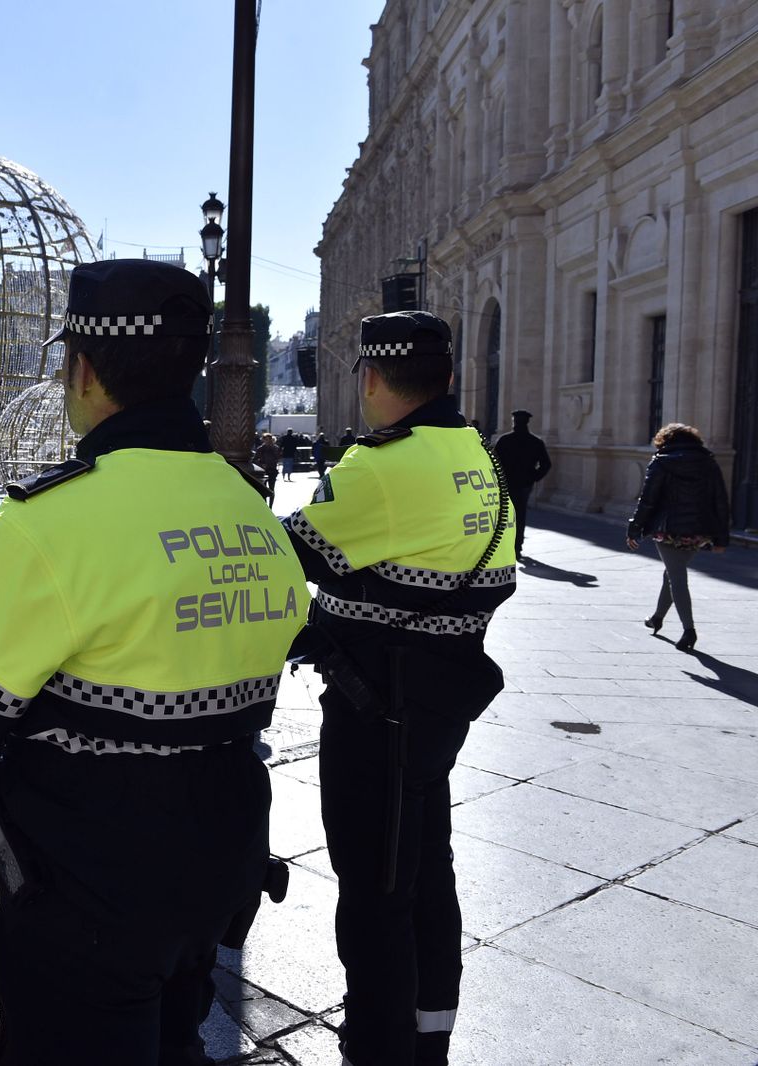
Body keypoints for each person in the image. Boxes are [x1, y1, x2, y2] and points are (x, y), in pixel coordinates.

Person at [0, 259, 308, 1066]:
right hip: (220, 867)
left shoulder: (52, 522)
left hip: (89, 890)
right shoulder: (250, 511)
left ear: (82, 370)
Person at [281, 311, 516, 1066]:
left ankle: (378, 1045)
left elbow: (293, 553)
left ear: (373, 379)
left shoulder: (380, 465)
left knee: (375, 885)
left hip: (375, 706)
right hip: (441, 701)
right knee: (425, 872)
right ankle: (428, 1032)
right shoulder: (479, 456)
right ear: (448, 379)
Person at [627, 422, 730, 652]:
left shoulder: (661, 462)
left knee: (676, 575)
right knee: (672, 572)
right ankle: (656, 618)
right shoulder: (709, 463)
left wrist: (635, 528)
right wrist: (721, 538)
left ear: (665, 440)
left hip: (668, 529)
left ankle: (688, 630)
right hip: (699, 530)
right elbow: (720, 501)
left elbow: (648, 500)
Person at [493, 409, 552, 561]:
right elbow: (546, 464)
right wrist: (534, 477)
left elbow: (493, 461)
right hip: (524, 484)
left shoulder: (504, 440)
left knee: (504, 516)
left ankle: (506, 545)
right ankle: (517, 546)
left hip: (506, 483)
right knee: (520, 516)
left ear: (514, 422)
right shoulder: (535, 442)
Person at [253, 430, 282, 506]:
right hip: (263, 471)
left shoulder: (275, 448)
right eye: (266, 439)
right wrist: (261, 464)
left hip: (272, 470)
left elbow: (278, 457)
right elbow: (254, 459)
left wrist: (273, 450)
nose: (268, 441)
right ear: (263, 440)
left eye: (269, 439)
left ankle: (271, 506)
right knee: (263, 489)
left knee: (272, 489)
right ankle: (265, 504)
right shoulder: (261, 449)